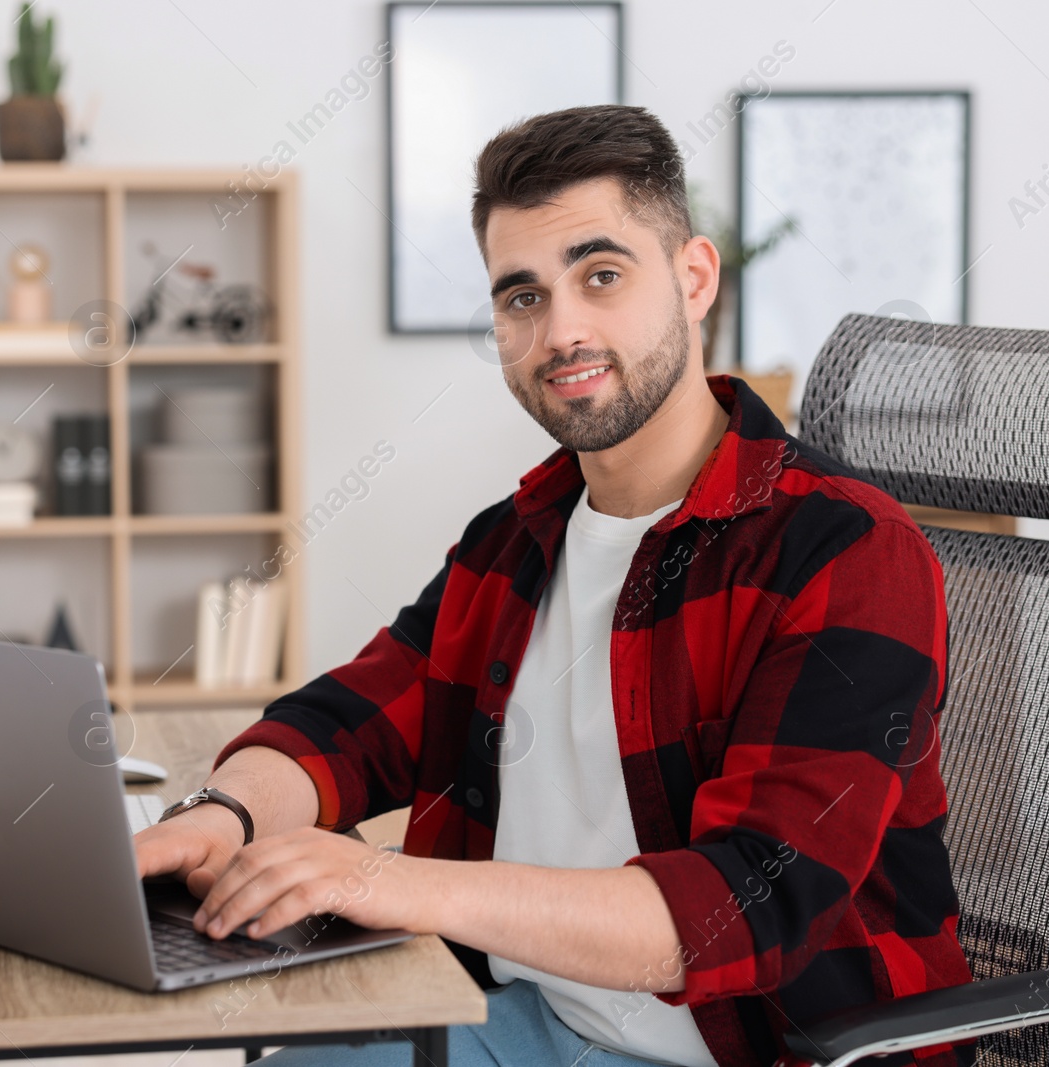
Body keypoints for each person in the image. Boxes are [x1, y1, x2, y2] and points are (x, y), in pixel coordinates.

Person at [135, 104, 972, 1067]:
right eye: (522, 296)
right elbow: (353, 722)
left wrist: (385, 880)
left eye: (601, 275)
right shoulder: (519, 537)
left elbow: (743, 907)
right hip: (535, 1017)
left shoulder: (847, 549)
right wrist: (220, 815)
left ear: (694, 278)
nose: (561, 329)